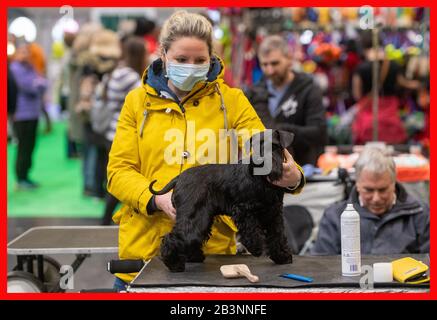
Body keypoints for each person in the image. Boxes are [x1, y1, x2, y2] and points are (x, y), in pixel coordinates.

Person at [107, 11, 305, 291]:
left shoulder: (232, 101)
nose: (191, 67)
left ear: (211, 57)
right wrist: (155, 199)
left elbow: (261, 144)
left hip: (213, 262)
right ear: (163, 55)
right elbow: (118, 172)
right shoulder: (137, 103)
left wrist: (291, 174)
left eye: (200, 60)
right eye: (181, 59)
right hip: (142, 255)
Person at [311, 146, 429, 255]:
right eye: (368, 190)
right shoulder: (334, 216)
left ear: (394, 183)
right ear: (357, 184)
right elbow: (322, 265)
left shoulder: (420, 214)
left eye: (382, 190)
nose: (376, 198)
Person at [245, 35, 327, 166]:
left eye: (275, 63)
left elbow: (318, 132)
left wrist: (280, 132)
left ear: (289, 59)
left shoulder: (308, 89)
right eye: (264, 65)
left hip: (302, 168)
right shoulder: (254, 93)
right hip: (263, 170)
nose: (270, 70)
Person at [351, 30, 420, 145]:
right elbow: (404, 83)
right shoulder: (393, 65)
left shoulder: (360, 68)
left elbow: (357, 95)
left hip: (368, 116)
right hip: (390, 115)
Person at [10, 40, 47, 189]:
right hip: (20, 114)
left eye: (27, 51)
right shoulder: (14, 68)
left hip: (33, 113)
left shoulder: (31, 67)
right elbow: (28, 86)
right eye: (22, 51)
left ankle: (26, 175)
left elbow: (43, 83)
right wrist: (37, 84)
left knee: (30, 146)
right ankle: (20, 178)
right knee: (23, 147)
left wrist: (38, 84)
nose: (25, 54)